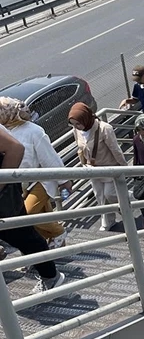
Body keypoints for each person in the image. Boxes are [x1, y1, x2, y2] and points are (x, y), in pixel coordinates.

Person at [0, 125, 66, 293]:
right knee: (19, 234)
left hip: (5, 195)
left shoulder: (33, 131)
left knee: (21, 234)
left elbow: (16, 148)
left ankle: (51, 277)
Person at [0, 97, 68, 249]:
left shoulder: (34, 131)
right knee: (36, 217)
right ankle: (44, 249)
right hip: (20, 183)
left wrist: (64, 181)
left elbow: (49, 157)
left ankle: (58, 232)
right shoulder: (4, 131)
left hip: (40, 180)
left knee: (28, 215)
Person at [69, 102, 127, 231]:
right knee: (100, 196)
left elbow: (115, 150)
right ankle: (107, 221)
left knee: (110, 194)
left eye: (78, 123)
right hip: (92, 169)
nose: (76, 127)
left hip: (109, 168)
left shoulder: (104, 128)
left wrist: (124, 167)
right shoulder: (76, 130)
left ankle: (127, 207)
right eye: (73, 124)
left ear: (86, 118)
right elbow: (80, 147)